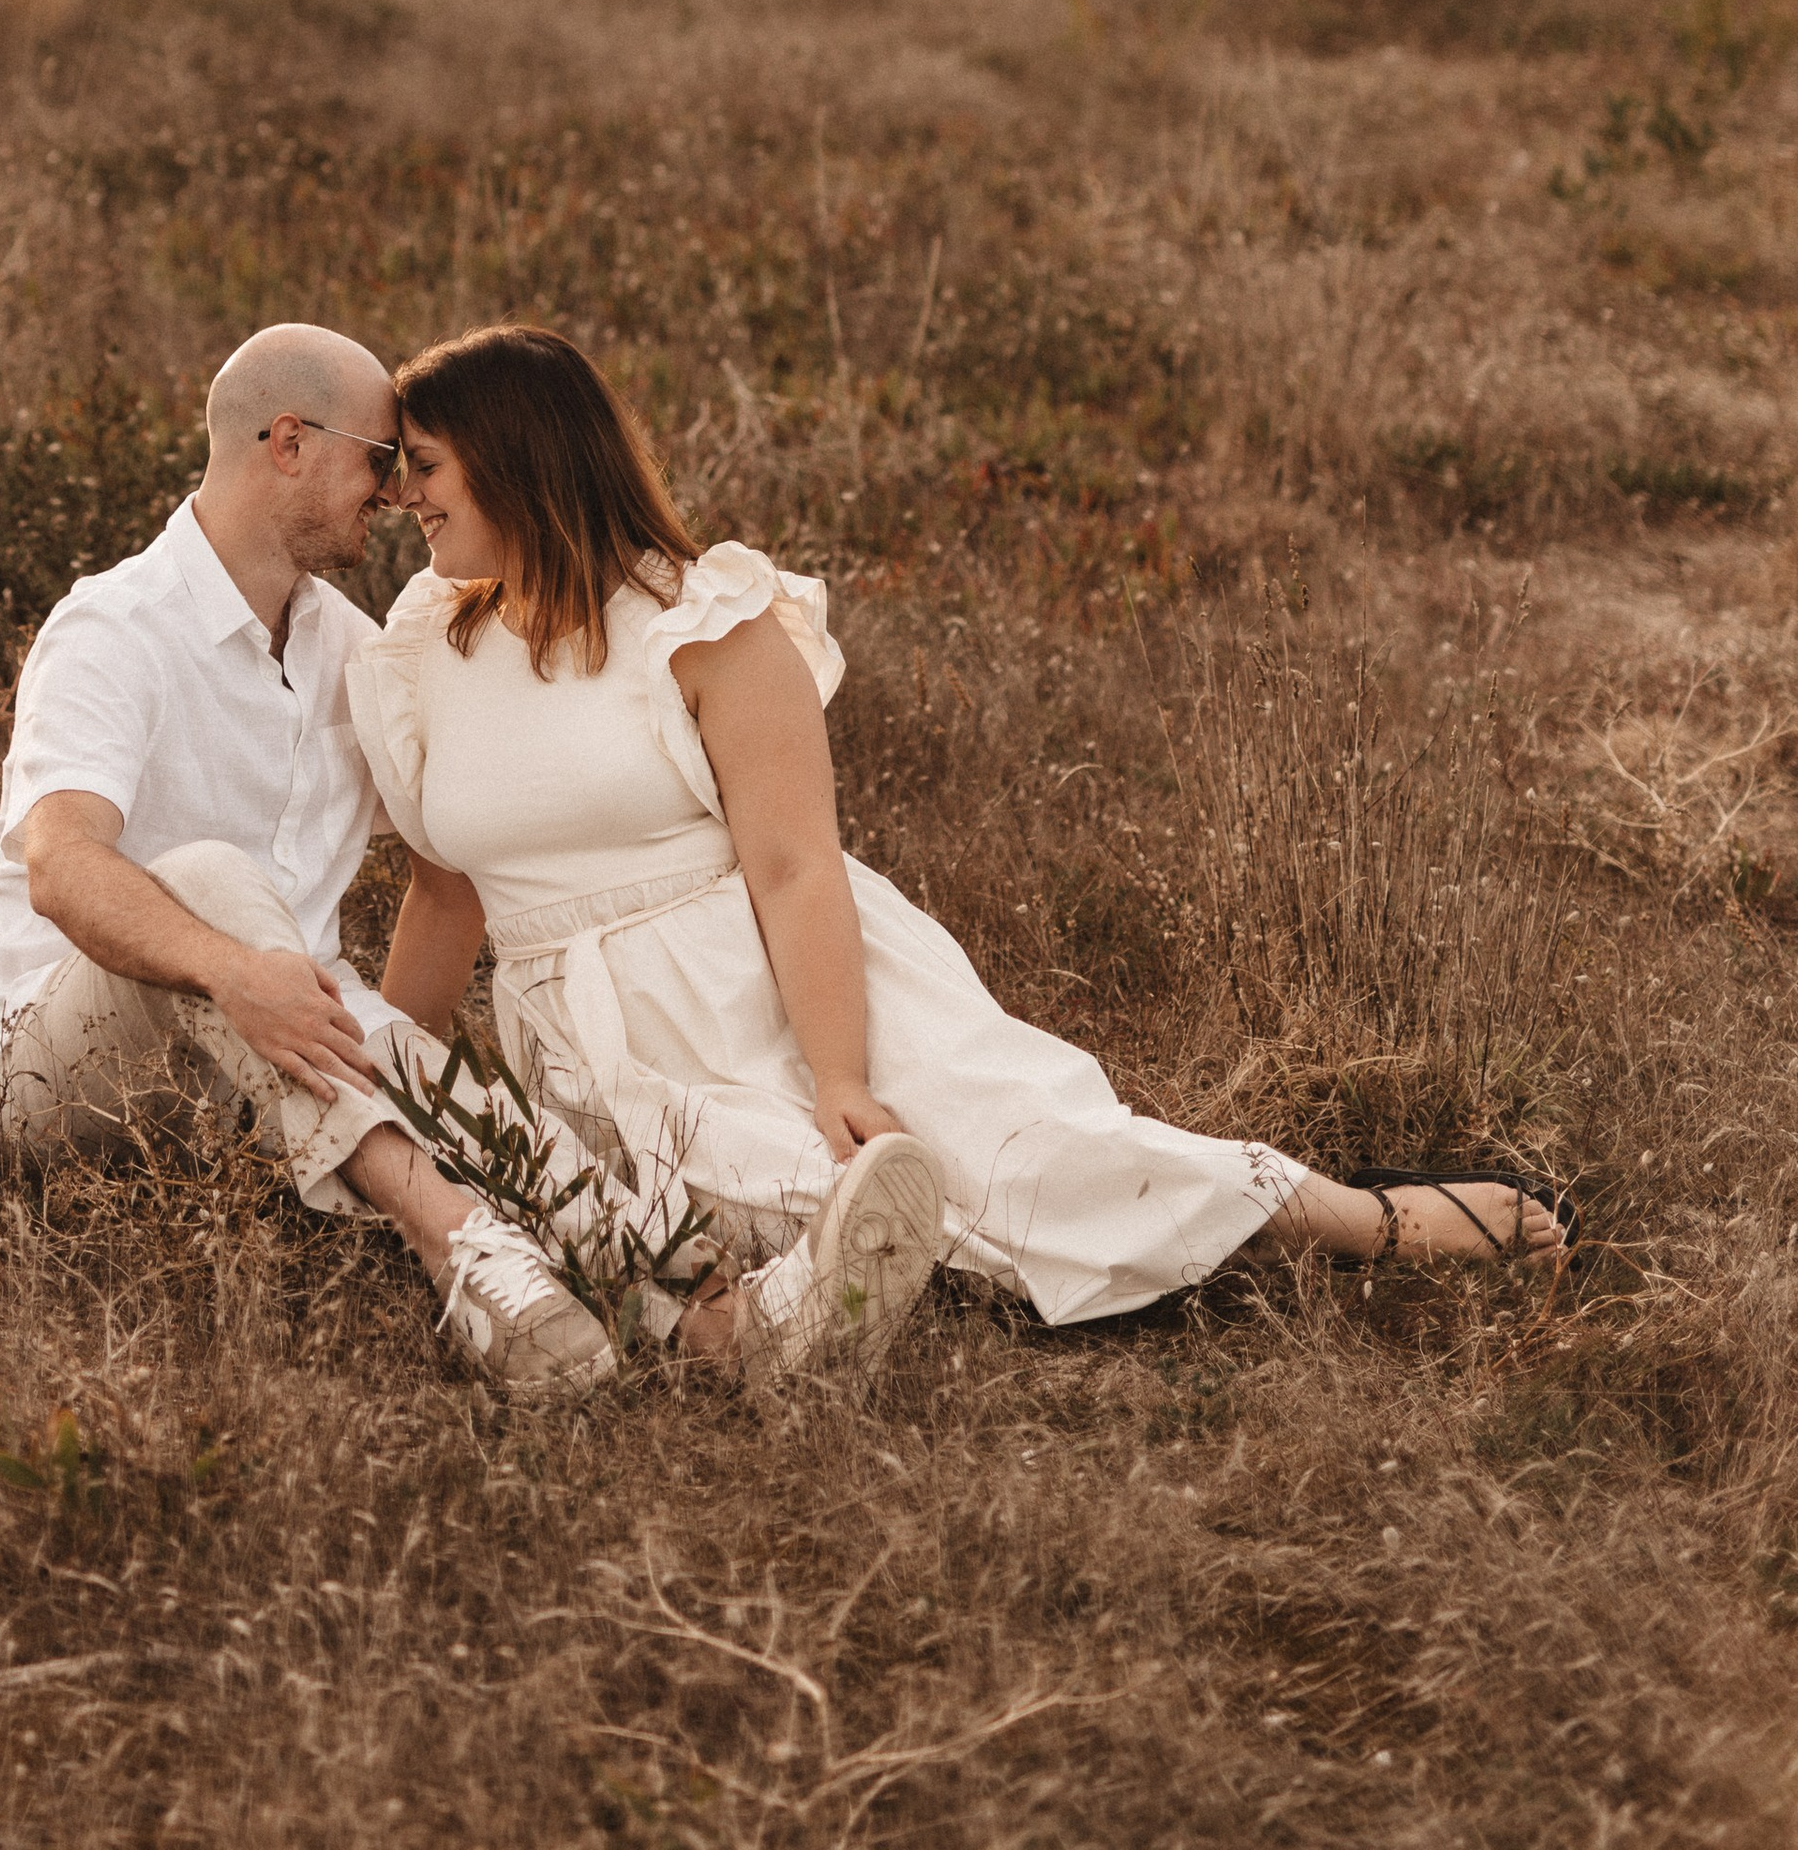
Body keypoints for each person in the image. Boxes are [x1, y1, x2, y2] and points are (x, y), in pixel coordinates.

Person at [348, 323, 1565, 1374]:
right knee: (765, 1216)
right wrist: (379, 1084)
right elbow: (445, 893)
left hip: (763, 978)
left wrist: (838, 1075)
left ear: (518, 457)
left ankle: (1367, 1223)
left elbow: (794, 867)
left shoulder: (700, 622)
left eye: (428, 464)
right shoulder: (425, 646)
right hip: (585, 1037)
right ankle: (828, 1296)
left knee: (1027, 1169)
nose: (403, 495)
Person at [0, 319, 702, 1404]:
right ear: (291, 444)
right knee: (214, 887)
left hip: (272, 1072)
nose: (398, 494)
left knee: (384, 1036)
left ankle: (702, 1296)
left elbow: (468, 851)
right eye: (380, 458)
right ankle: (460, 1247)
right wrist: (226, 971)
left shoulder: (355, 651)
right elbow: (62, 866)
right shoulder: (113, 628)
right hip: (57, 1076)